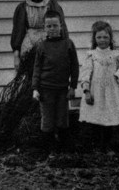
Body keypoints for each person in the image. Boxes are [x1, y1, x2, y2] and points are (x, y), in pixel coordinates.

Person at [32, 10, 79, 151]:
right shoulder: (42, 46)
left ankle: (64, 149)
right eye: (49, 26)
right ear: (45, 28)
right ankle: (48, 149)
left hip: (63, 89)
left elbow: (74, 67)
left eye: (55, 25)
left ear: (61, 26)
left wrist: (73, 87)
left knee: (62, 119)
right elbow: (37, 68)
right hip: (45, 90)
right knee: (47, 119)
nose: (52, 29)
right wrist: (35, 88)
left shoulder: (68, 44)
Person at [79, 21, 119, 154]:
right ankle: (97, 147)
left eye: (105, 37)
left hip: (111, 91)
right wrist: (87, 91)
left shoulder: (116, 56)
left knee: (109, 118)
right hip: (96, 91)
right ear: (94, 38)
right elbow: (85, 74)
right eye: (99, 37)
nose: (102, 40)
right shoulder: (91, 55)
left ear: (110, 38)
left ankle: (108, 146)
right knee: (96, 118)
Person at [11, 0, 67, 70]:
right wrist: (16, 57)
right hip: (29, 46)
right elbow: (17, 32)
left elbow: (62, 29)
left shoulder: (53, 5)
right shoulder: (22, 7)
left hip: (50, 45)